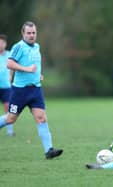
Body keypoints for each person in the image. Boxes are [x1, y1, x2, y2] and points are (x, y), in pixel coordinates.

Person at [0, 21, 63, 159]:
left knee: (41, 118)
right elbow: (9, 63)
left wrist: (38, 74)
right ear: (23, 33)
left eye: (33, 33)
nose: (31, 35)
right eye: (28, 33)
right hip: (20, 91)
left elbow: (35, 64)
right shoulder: (19, 46)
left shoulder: (37, 47)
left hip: (35, 90)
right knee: (10, 119)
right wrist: (27, 69)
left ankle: (49, 150)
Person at [0, 34, 14, 136]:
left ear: (5, 44)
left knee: (8, 108)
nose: (1, 45)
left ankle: (10, 131)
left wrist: (10, 76)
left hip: (6, 86)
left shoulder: (9, 55)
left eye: (2, 43)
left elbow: (12, 67)